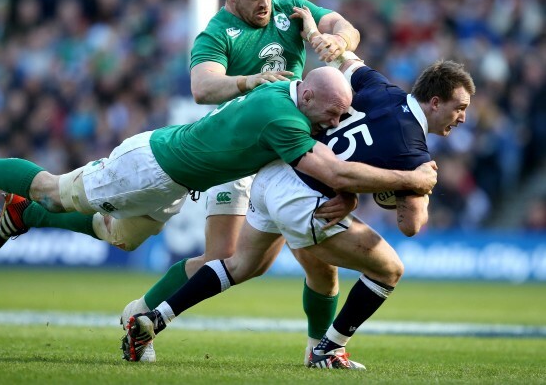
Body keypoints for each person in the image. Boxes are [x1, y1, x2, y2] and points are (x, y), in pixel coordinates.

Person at [122, 52, 475, 369]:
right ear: (434, 102)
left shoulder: (382, 88)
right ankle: (329, 350)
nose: (461, 118)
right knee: (389, 270)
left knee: (241, 265)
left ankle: (154, 319)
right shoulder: (414, 151)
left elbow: (347, 60)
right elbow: (411, 224)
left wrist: (318, 33)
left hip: (276, 171)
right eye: (459, 108)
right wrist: (418, 185)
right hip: (304, 198)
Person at [0, 65, 437, 274]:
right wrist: (413, 180)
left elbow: (333, 171)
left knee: (119, 236)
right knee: (52, 187)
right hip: (150, 167)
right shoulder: (285, 121)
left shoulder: (286, 97)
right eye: (332, 111)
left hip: (176, 177)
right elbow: (338, 171)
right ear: (308, 96)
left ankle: (28, 215)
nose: (337, 120)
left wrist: (346, 195)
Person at [122, 0, 361, 364]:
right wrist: (250, 80)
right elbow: (203, 88)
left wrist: (336, 40)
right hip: (238, 155)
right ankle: (141, 314)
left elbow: (345, 27)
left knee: (319, 259)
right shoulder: (218, 32)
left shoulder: (292, 13)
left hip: (288, 152)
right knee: (224, 259)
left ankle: (321, 350)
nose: (265, 3)